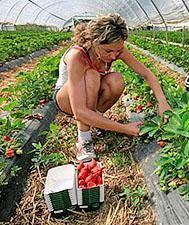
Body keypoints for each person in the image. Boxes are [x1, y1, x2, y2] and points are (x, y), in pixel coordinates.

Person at [53, 13, 170, 161]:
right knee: (92, 76)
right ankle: (84, 140)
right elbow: (79, 112)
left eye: (118, 50)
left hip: (90, 95)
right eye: (108, 51)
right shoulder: (77, 56)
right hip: (66, 100)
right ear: (95, 42)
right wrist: (124, 128)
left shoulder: (116, 49)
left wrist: (162, 101)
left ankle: (96, 120)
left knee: (116, 80)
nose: (114, 56)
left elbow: (146, 73)